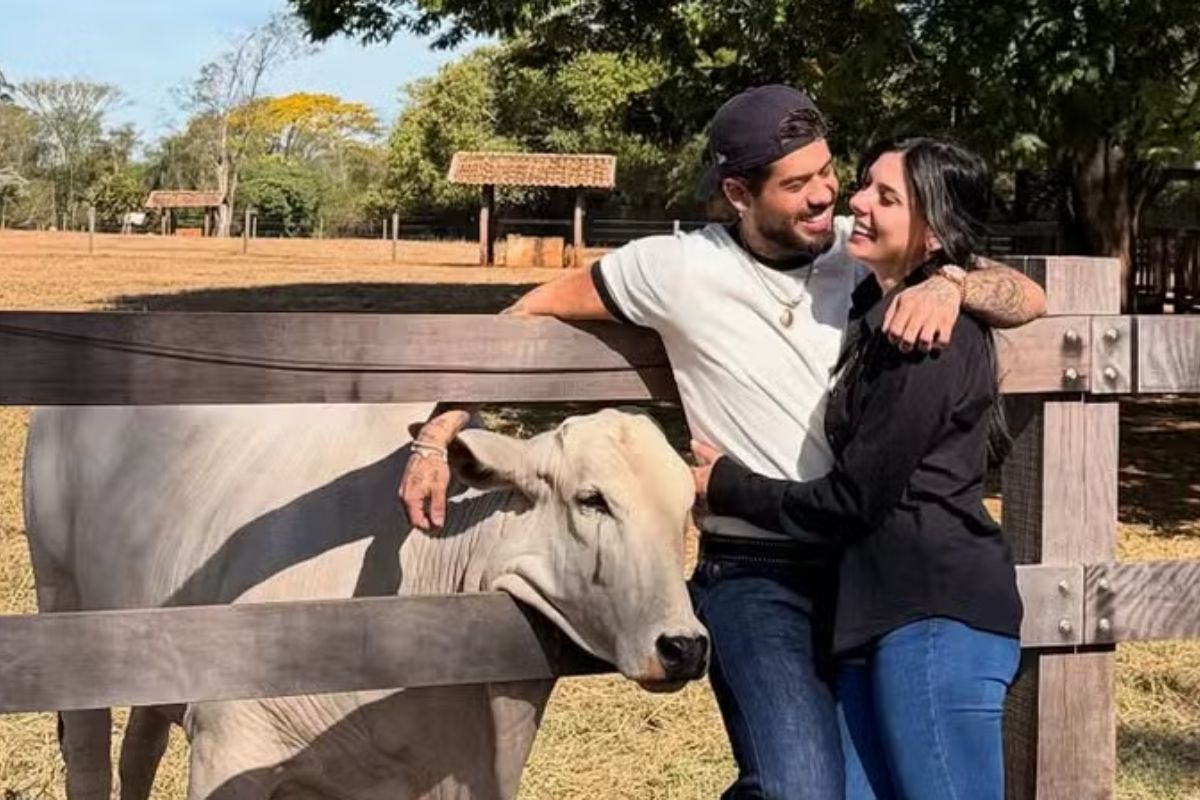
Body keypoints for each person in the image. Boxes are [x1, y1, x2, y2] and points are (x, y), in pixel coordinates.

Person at [400, 86, 1045, 799]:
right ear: (739, 193)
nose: (826, 196)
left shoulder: (857, 250)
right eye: (796, 185)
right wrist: (439, 432)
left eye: (829, 172)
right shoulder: (674, 269)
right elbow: (526, 314)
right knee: (801, 789)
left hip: (861, 569)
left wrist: (951, 284)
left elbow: (1027, 296)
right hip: (756, 571)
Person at [691, 136, 1024, 800]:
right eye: (866, 185)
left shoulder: (931, 339)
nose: (858, 203)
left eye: (886, 197)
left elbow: (854, 499)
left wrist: (727, 485)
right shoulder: (878, 313)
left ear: (934, 235)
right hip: (873, 621)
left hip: (934, 616)